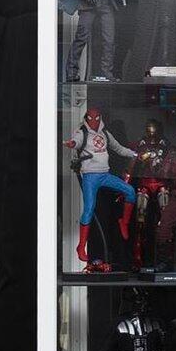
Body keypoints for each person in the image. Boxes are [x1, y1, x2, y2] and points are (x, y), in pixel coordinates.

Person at [67, 109, 138, 272]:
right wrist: (72, 144)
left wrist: (133, 154)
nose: (94, 122)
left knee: (128, 193)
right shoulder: (83, 132)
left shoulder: (105, 133)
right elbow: (76, 141)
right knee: (91, 211)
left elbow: (119, 148)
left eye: (97, 118)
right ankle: (84, 249)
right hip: (93, 178)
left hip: (106, 178)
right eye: (91, 119)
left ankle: (122, 227)